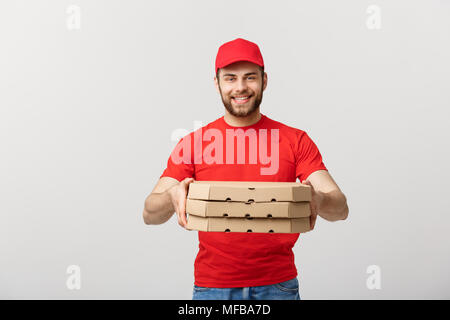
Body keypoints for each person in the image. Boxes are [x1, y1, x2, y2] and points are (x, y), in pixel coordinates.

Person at [142, 38, 349, 300]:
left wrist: (317, 198)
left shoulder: (295, 140)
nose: (240, 87)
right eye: (230, 78)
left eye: (250, 77)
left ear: (264, 80)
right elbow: (149, 214)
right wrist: (171, 197)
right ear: (217, 83)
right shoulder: (193, 144)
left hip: (279, 287)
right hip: (213, 288)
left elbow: (341, 209)